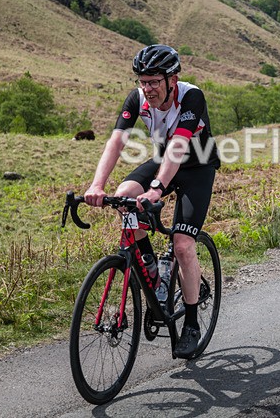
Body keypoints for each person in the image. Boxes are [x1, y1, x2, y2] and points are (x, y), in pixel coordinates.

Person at [84, 44, 220, 359]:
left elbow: (178, 145)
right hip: (163, 162)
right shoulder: (138, 99)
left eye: (155, 81)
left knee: (184, 244)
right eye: (144, 81)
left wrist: (158, 188)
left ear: (172, 79)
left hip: (197, 168)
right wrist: (96, 185)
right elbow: (117, 140)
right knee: (123, 195)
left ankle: (190, 324)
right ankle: (151, 267)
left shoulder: (191, 97)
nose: (149, 88)